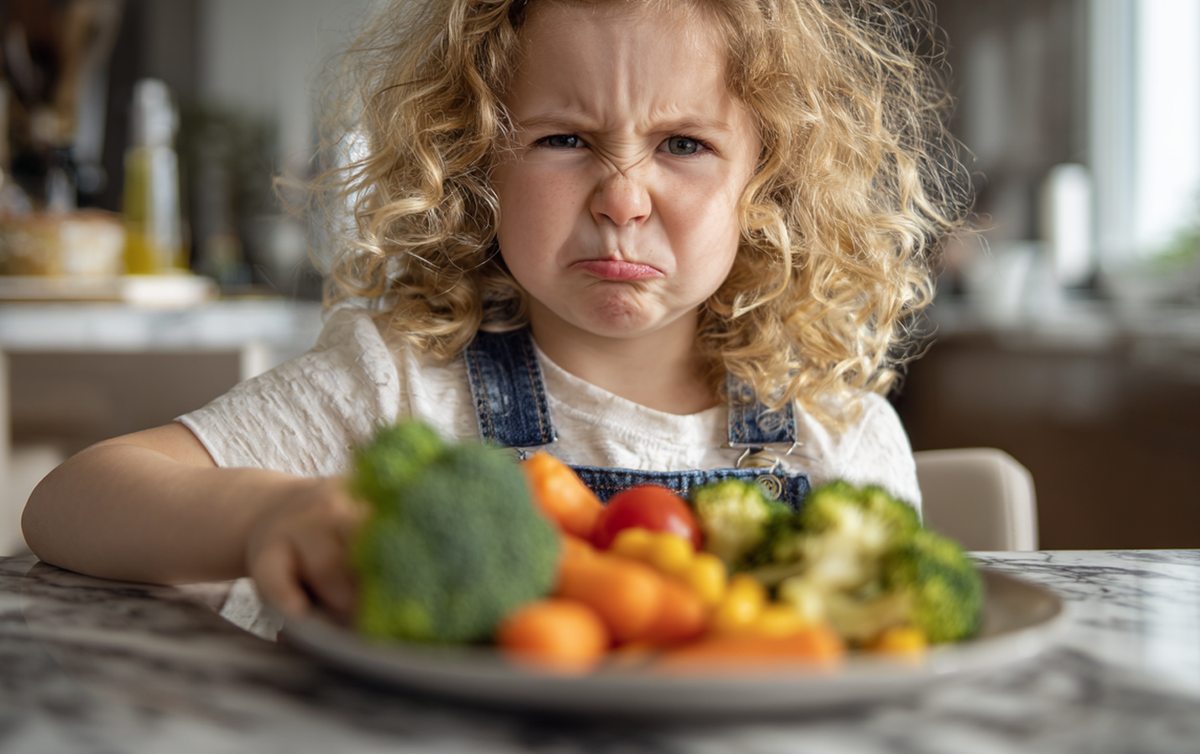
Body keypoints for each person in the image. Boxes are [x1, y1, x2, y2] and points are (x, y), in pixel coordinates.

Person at [22, 0, 970, 620]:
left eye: (683, 144)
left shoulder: (836, 433)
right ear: (475, 163)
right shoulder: (396, 384)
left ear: (767, 182)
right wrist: (271, 513)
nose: (624, 197)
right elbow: (70, 502)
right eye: (564, 139)